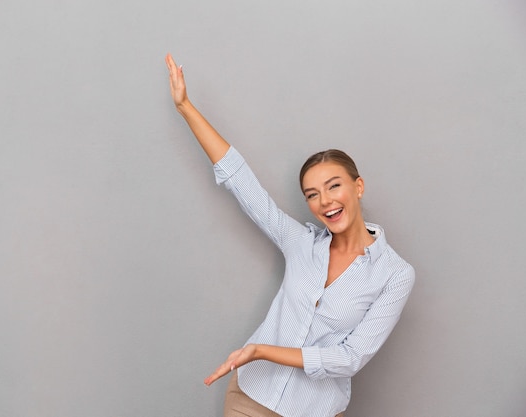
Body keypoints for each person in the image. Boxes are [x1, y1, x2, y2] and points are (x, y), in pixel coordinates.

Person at [165, 53, 415, 417]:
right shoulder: (301, 244)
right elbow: (241, 181)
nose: (325, 201)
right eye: (312, 194)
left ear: (358, 187)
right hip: (250, 397)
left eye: (334, 186)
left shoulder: (395, 274)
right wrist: (185, 106)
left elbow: (348, 359)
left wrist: (261, 350)